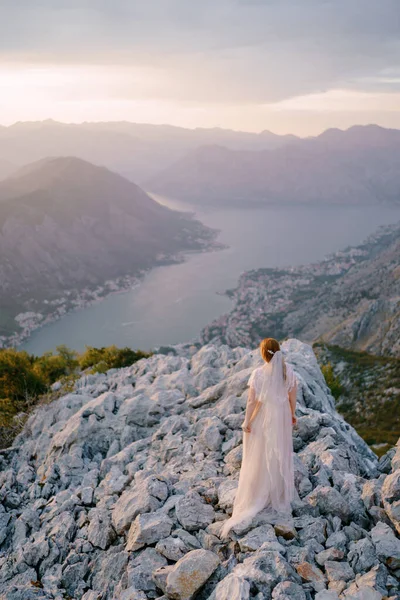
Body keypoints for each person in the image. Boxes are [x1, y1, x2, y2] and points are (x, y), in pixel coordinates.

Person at [221, 337, 298, 538]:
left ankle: (258, 492)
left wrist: (247, 421)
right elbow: (292, 397)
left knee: (259, 453)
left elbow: (251, 401)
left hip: (264, 416)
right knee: (279, 451)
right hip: (280, 415)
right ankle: (276, 493)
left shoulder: (258, 374)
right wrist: (291, 414)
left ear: (263, 354)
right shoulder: (287, 372)